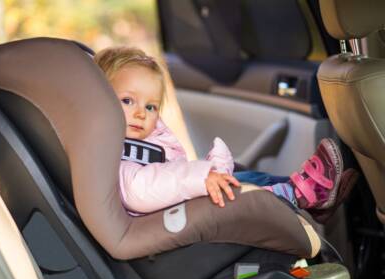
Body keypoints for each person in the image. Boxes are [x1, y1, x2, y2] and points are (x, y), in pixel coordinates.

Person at [94, 47, 358, 224]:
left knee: (245, 177)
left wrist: (202, 172)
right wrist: (200, 176)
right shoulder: (114, 154)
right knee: (243, 192)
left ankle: (309, 194)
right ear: (99, 100)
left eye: (151, 106)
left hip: (176, 198)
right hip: (171, 216)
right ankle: (302, 193)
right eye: (128, 101)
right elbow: (141, 188)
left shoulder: (131, 142)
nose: (141, 113)